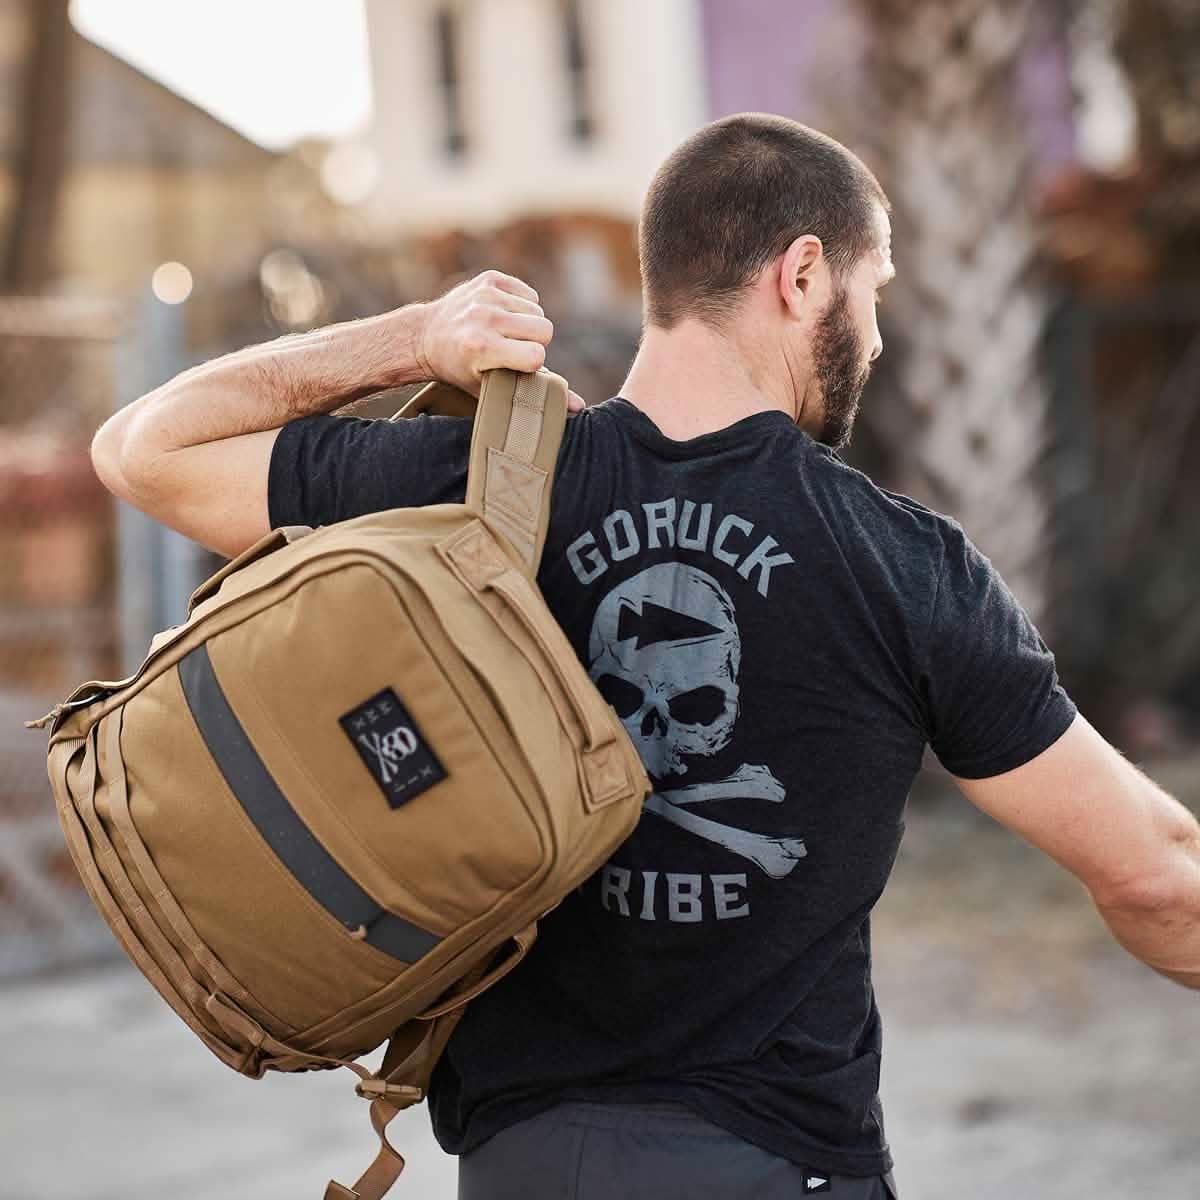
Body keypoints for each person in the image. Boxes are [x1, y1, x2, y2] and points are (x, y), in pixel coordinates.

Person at [90, 113, 1200, 1200]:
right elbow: (1156, 872)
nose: (876, 336)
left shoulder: (472, 489)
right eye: (875, 293)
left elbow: (144, 450)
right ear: (803, 275)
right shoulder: (901, 565)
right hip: (770, 1162)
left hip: (518, 1164)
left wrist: (410, 340)